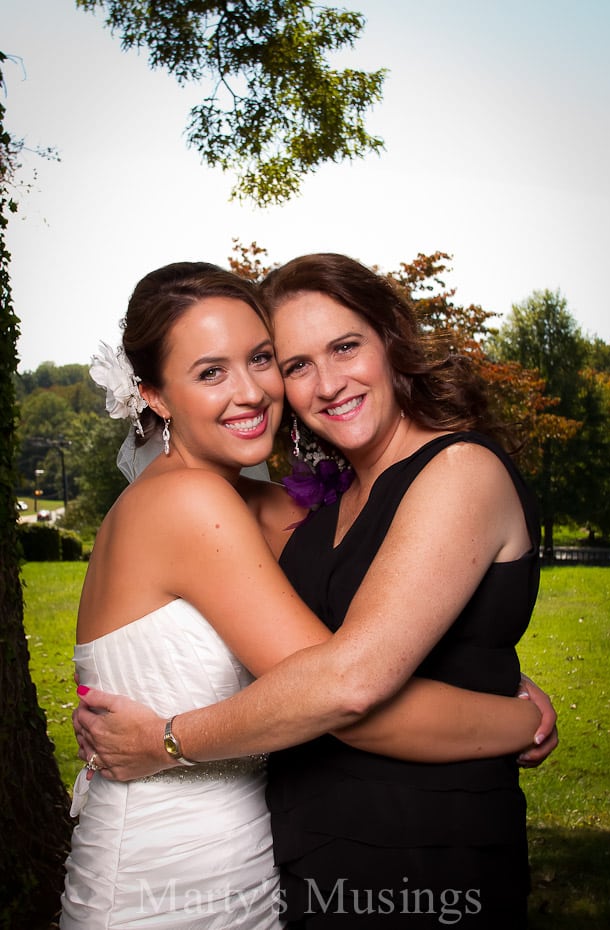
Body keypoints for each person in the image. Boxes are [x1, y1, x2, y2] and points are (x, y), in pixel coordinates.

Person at [73, 256, 556, 928]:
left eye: (262, 360)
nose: (251, 392)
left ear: (389, 341)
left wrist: (493, 674)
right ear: (154, 395)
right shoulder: (197, 503)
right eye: (296, 363)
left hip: (370, 856)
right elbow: (347, 680)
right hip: (180, 864)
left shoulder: (284, 509)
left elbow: (370, 642)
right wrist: (516, 717)